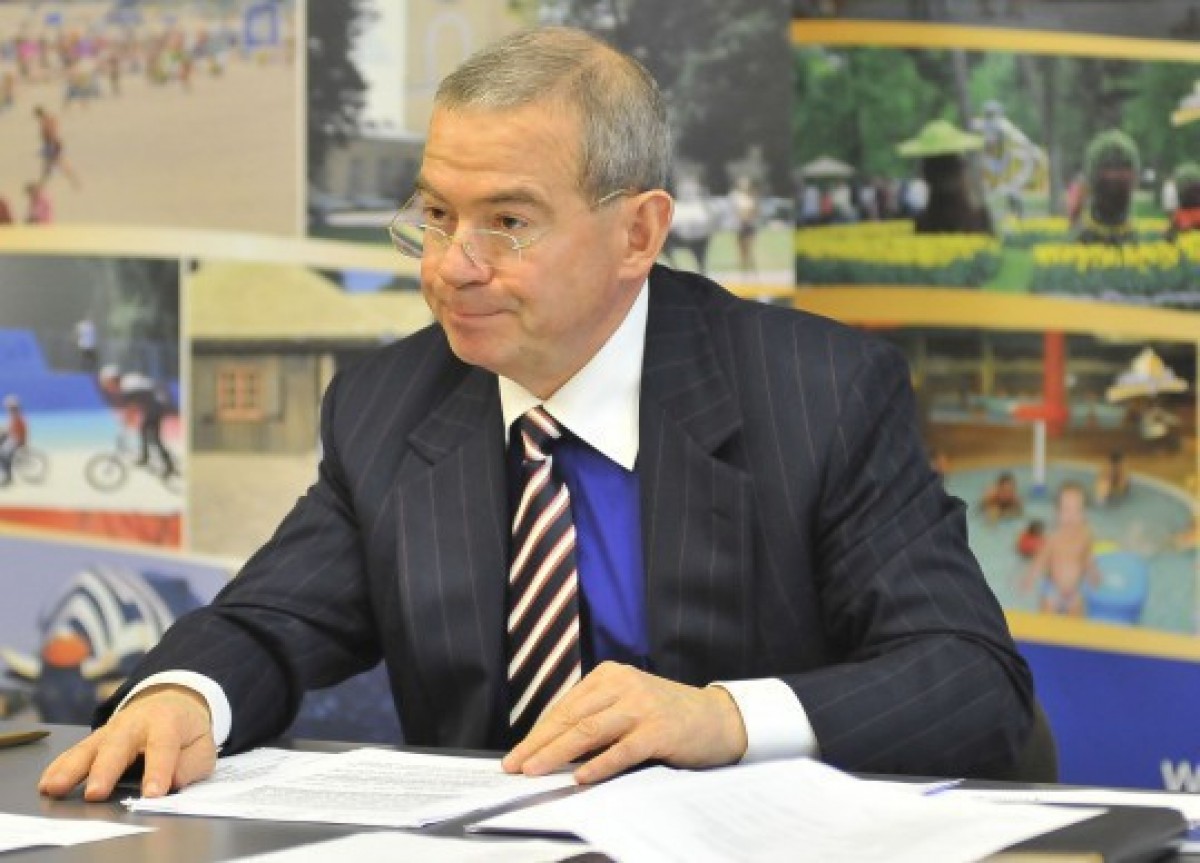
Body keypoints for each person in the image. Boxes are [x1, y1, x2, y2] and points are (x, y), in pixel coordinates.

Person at [40, 27, 1032, 804]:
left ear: (638, 232)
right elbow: (268, 621)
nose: (452, 266)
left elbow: (969, 677)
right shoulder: (387, 406)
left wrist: (723, 717)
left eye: (507, 223)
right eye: (436, 215)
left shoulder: (818, 392)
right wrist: (183, 693)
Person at [1020, 482, 1101, 616]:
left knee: (1077, 623)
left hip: (1075, 591)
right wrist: (1029, 579)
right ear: (1057, 513)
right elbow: (1040, 561)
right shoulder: (1053, 539)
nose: (1071, 516)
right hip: (1052, 591)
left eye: (1077, 510)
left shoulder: (1086, 537)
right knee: (1045, 623)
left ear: (1084, 514)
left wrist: (1094, 575)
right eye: (1066, 510)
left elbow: (1087, 558)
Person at [96, 365, 177, 479]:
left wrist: (125, 423)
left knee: (153, 437)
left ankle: (167, 465)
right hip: (156, 406)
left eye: (107, 383)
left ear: (113, 379)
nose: (107, 387)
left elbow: (132, 408)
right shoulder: (129, 381)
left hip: (156, 407)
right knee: (145, 430)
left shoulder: (127, 386)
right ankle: (146, 457)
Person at [0, 395, 29, 487]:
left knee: (3, 455)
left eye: (8, 407)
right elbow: (9, 428)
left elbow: (17, 431)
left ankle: (8, 478)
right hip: (14, 438)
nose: (7, 408)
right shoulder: (14, 416)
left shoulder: (17, 417)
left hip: (17, 440)